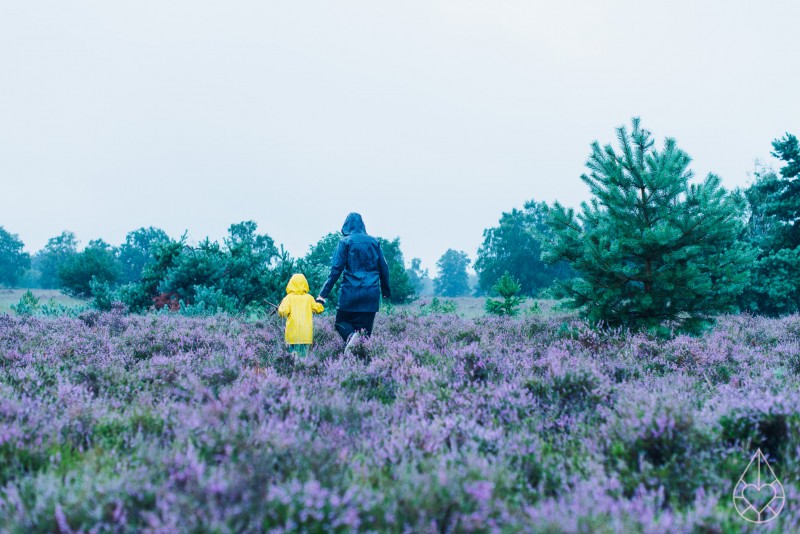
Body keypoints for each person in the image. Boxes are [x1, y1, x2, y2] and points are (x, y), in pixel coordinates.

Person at [317, 213, 391, 352]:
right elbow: (384, 268)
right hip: (371, 294)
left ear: (347, 226)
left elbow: (335, 270)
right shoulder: (374, 242)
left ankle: (351, 337)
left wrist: (323, 295)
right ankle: (363, 368)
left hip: (350, 293)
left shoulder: (345, 242)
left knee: (340, 323)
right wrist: (386, 291)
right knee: (365, 335)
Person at [278, 273, 325, 358]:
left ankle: (292, 371)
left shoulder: (288, 298)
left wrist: (280, 308)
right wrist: (320, 302)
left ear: (291, 283)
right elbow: (318, 309)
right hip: (305, 335)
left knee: (292, 358)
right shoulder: (309, 298)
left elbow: (283, 312)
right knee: (303, 359)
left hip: (292, 335)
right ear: (305, 284)